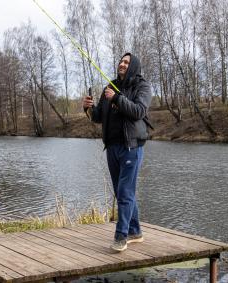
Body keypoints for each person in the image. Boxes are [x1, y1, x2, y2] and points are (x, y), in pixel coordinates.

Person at [83, 53, 152, 252]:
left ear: (133, 66)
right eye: (121, 61)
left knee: (125, 192)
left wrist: (118, 97)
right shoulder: (109, 87)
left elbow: (139, 111)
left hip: (132, 146)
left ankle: (121, 236)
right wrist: (88, 108)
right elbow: (98, 117)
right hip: (112, 147)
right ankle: (135, 231)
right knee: (122, 192)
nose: (121, 64)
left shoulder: (142, 87)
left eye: (126, 62)